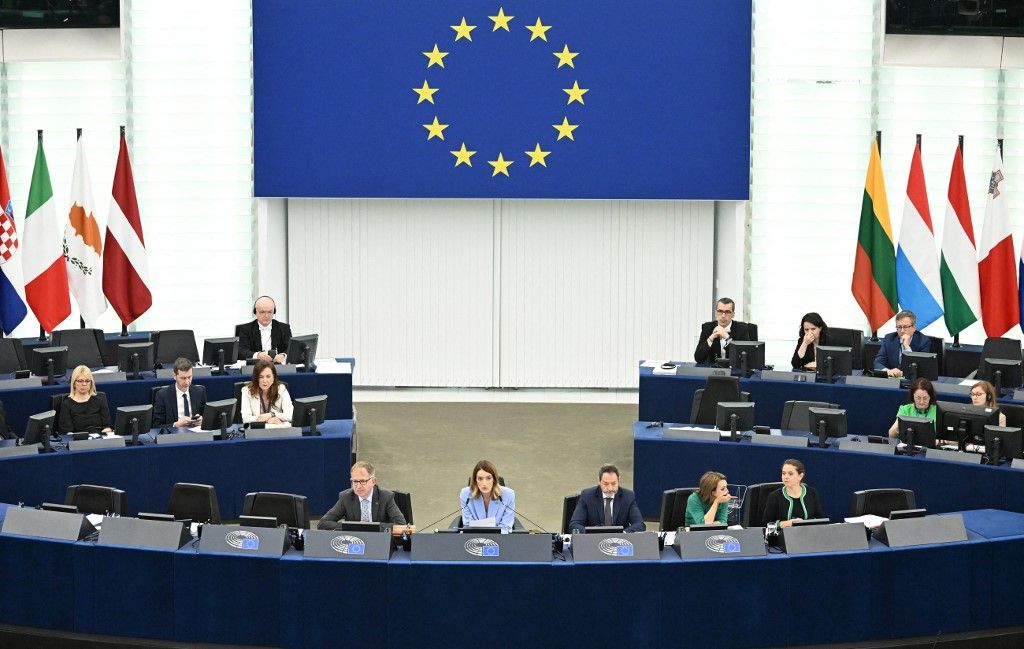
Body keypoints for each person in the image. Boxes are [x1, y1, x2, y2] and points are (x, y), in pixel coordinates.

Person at [317, 461, 409, 531]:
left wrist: (370, 528)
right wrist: (352, 527)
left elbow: (401, 525)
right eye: (355, 481)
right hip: (354, 542)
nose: (358, 486)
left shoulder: (386, 497)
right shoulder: (346, 497)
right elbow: (323, 523)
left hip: (379, 542)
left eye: (362, 481)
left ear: (373, 481)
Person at [568, 464, 646, 533]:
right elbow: (574, 525)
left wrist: (623, 534)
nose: (610, 488)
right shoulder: (587, 495)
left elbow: (640, 524)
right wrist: (594, 533)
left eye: (614, 483)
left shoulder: (628, 496)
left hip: (620, 542)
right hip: (594, 541)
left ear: (619, 480)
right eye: (605, 484)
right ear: (599, 481)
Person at [761, 459, 824, 528]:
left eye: (790, 474)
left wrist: (804, 523)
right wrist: (786, 523)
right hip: (782, 536)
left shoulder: (812, 493)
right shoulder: (774, 496)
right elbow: (766, 525)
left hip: (806, 534)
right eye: (783, 473)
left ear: (800, 476)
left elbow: (820, 520)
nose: (786, 477)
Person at [459, 459, 515, 532]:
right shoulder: (465, 495)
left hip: (500, 538)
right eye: (480, 479)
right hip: (475, 538)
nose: (484, 483)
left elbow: (506, 527)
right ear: (475, 480)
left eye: (488, 478)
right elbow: (468, 525)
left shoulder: (509, 495)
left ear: (494, 479)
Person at [693, 297, 752, 364]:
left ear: (733, 315)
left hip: (734, 371)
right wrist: (711, 338)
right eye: (720, 311)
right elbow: (698, 358)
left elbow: (744, 358)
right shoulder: (707, 328)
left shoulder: (742, 329)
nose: (723, 316)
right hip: (713, 371)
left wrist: (727, 337)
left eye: (727, 312)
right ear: (716, 313)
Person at [153, 357, 208, 427]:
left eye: (189, 377)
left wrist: (202, 420)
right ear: (174, 376)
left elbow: (206, 418)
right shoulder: (162, 395)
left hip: (195, 433)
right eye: (183, 378)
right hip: (174, 435)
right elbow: (156, 426)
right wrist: (176, 424)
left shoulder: (200, 391)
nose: (187, 382)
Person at [235, 295, 292, 363]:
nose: (266, 316)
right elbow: (240, 351)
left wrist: (283, 355)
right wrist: (257, 355)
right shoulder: (245, 329)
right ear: (255, 312)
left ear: (274, 312)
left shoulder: (284, 328)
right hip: (254, 368)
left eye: (270, 312)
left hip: (278, 367)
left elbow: (290, 348)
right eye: (262, 312)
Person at [873, 310, 930, 376]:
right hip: (892, 380)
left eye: (905, 327)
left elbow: (922, 369)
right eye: (899, 327)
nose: (902, 331)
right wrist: (888, 371)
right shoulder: (889, 339)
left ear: (914, 327)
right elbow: (878, 363)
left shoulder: (923, 341)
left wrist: (907, 347)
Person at [57, 365, 112, 433]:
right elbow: (67, 433)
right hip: (78, 441)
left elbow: (108, 427)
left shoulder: (100, 399)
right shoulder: (67, 404)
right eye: (80, 381)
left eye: (87, 381)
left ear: (91, 383)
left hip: (99, 439)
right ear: (74, 383)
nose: (84, 384)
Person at [240, 360, 294, 424]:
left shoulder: (281, 389)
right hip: (257, 430)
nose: (265, 380)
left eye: (268, 376)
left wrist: (272, 415)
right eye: (261, 377)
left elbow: (291, 415)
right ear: (256, 378)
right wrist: (266, 420)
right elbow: (246, 418)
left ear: (273, 378)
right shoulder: (246, 391)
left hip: (276, 427)